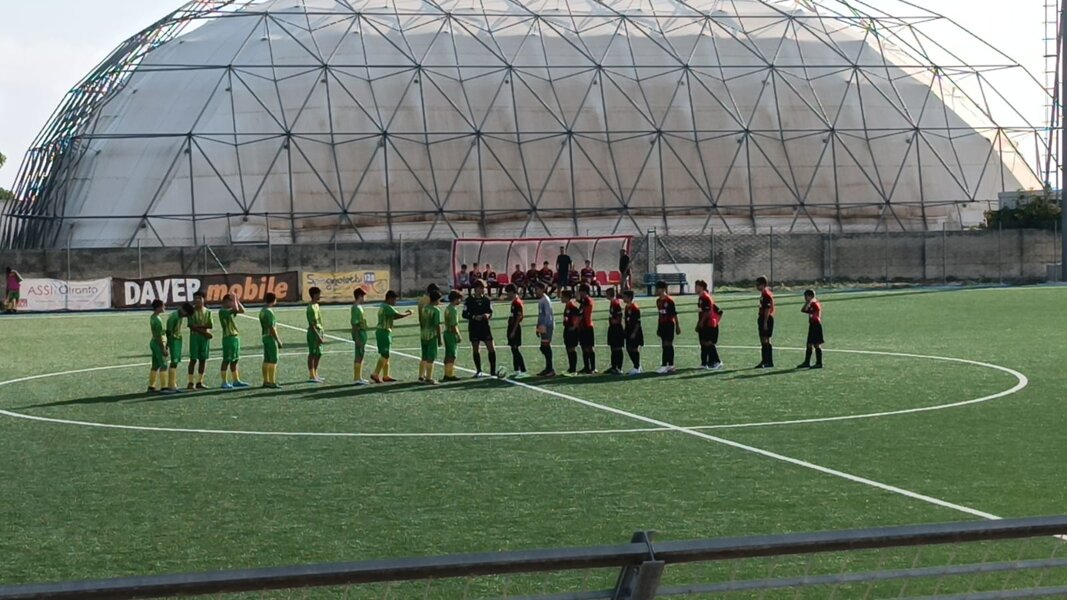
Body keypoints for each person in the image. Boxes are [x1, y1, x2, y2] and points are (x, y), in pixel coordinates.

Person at [372, 290, 413, 383]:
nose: (395, 302)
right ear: (390, 299)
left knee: (386, 354)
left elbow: (393, 316)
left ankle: (386, 375)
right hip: (384, 332)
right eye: (394, 300)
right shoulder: (387, 307)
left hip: (383, 332)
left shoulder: (383, 306)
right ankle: (375, 373)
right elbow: (397, 315)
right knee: (385, 354)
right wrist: (408, 313)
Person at [463, 279, 499, 378]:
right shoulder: (469, 300)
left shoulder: (486, 300)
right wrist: (474, 317)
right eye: (481, 288)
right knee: (476, 348)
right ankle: (478, 370)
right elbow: (464, 314)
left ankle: (493, 371)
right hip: (474, 327)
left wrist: (487, 315)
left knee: (491, 348)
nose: (483, 290)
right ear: (476, 288)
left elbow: (490, 312)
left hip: (485, 327)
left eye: (484, 288)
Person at [218, 294, 250, 389]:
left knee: (235, 359)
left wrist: (237, 300)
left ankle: (236, 380)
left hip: (235, 337)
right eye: (230, 301)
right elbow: (236, 309)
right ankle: (224, 381)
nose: (232, 303)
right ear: (225, 301)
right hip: (228, 338)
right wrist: (235, 299)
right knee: (226, 360)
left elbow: (242, 310)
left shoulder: (229, 311)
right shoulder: (222, 311)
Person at [164, 302, 192, 393]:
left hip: (177, 339)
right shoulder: (174, 317)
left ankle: (173, 384)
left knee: (175, 362)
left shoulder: (179, 316)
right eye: (186, 314)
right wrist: (167, 345)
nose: (186, 316)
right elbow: (168, 331)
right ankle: (171, 385)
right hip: (173, 340)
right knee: (174, 362)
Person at [695, 280, 724, 371]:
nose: (695, 288)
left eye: (697, 286)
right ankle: (704, 363)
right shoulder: (701, 298)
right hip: (704, 323)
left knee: (708, 343)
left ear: (701, 287)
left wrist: (701, 322)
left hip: (708, 324)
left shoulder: (705, 297)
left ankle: (717, 361)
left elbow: (707, 312)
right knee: (703, 343)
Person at [186, 291, 213, 390]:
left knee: (203, 360)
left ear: (203, 299)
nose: (197, 300)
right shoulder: (191, 312)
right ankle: (190, 382)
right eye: (195, 298)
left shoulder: (208, 312)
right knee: (193, 360)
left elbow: (210, 325)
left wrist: (198, 326)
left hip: (204, 339)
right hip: (195, 338)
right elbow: (191, 326)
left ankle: (200, 382)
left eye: (199, 298)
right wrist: (204, 332)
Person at [655, 280, 680, 374]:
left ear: (663, 289)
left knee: (667, 344)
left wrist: (677, 326)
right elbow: (660, 314)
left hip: (669, 324)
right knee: (664, 345)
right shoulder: (658, 301)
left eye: (658, 288)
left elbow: (674, 314)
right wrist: (658, 327)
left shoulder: (669, 301)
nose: (656, 290)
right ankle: (670, 365)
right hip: (662, 325)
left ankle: (665, 365)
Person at [419, 290, 444, 385]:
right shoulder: (436, 310)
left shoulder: (424, 308)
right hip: (431, 335)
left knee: (424, 356)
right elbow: (437, 325)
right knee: (431, 357)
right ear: (437, 300)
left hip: (423, 334)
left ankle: (421, 376)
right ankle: (429, 378)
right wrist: (440, 338)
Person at [505, 284, 529, 378]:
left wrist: (513, 331)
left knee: (515, 350)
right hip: (511, 327)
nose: (507, 295)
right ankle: (516, 370)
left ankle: (523, 370)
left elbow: (519, 317)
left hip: (515, 328)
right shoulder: (514, 302)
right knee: (513, 349)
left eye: (508, 293)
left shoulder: (517, 303)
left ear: (512, 292)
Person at [260, 292, 283, 389]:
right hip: (270, 337)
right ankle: (272, 381)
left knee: (267, 359)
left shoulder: (262, 310)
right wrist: (278, 340)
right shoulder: (269, 312)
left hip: (264, 336)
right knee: (273, 359)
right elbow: (272, 327)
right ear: (274, 300)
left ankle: (266, 381)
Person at [798, 289, 824, 369]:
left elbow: (813, 315)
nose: (805, 298)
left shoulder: (814, 304)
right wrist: (807, 303)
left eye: (806, 296)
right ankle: (807, 362)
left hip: (816, 325)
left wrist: (808, 304)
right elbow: (803, 310)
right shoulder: (812, 303)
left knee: (816, 344)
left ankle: (819, 363)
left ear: (810, 296)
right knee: (809, 344)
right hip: (812, 325)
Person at [148, 299, 169, 394]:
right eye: (163, 306)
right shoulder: (158, 320)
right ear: (158, 307)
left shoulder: (153, 317)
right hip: (158, 344)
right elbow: (159, 336)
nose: (164, 307)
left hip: (153, 342)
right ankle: (164, 387)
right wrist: (163, 348)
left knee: (155, 365)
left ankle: (151, 386)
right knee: (164, 365)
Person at [534, 282, 555, 377]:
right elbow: (541, 315)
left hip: (546, 326)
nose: (535, 291)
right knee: (544, 347)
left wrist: (543, 326)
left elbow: (547, 315)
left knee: (545, 347)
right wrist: (538, 326)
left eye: (537, 289)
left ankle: (550, 369)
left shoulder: (545, 300)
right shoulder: (542, 299)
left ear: (542, 289)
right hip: (543, 325)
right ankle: (548, 368)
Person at [442, 290, 463, 382]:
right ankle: (449, 374)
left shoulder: (448, 308)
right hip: (451, 334)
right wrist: (458, 335)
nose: (460, 301)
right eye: (459, 299)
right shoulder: (453, 310)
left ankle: (447, 373)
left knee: (448, 354)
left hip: (446, 333)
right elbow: (453, 325)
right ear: (456, 299)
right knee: (452, 355)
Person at [306, 286, 326, 383]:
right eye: (318, 294)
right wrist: (318, 336)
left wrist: (322, 333)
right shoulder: (310, 308)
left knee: (319, 353)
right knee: (312, 354)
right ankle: (311, 375)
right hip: (313, 333)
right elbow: (312, 325)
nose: (320, 296)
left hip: (319, 331)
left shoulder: (317, 305)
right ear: (314, 295)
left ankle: (315, 373)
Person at [755, 276, 775, 369]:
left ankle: (766, 361)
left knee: (765, 340)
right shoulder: (763, 294)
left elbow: (767, 309)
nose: (756, 287)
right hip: (763, 318)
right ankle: (767, 361)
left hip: (766, 318)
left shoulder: (766, 295)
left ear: (763, 285)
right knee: (764, 340)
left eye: (758, 285)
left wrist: (765, 322)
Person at [351, 288, 370, 385]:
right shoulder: (356, 308)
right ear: (359, 296)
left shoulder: (358, 307)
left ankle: (359, 377)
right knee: (359, 354)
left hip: (362, 332)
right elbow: (354, 324)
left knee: (361, 354)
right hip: (359, 332)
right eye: (363, 296)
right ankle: (357, 378)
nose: (364, 298)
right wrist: (357, 337)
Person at [576, 283, 597, 374]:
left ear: (584, 292)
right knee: (584, 347)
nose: (579, 293)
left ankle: (592, 367)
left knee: (588, 347)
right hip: (584, 326)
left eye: (580, 291)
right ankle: (587, 367)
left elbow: (581, 314)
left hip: (587, 326)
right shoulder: (585, 300)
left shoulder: (586, 300)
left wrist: (576, 324)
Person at [623, 290, 644, 375]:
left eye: (625, 297)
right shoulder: (626, 307)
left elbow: (638, 322)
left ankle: (637, 367)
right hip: (628, 331)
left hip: (635, 331)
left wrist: (634, 333)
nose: (623, 298)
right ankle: (636, 365)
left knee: (634, 349)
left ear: (629, 298)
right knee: (628, 348)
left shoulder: (635, 308)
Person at [605, 288, 625, 375]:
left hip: (617, 328)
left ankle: (619, 367)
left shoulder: (616, 303)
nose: (605, 295)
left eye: (606, 294)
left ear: (609, 294)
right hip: (612, 328)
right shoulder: (612, 303)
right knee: (613, 348)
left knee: (617, 348)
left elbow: (620, 315)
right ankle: (613, 366)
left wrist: (616, 321)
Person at [560, 289, 580, 376]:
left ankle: (573, 370)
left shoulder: (572, 306)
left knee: (571, 349)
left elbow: (576, 318)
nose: (561, 298)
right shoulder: (567, 306)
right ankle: (570, 368)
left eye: (562, 297)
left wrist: (573, 327)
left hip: (572, 331)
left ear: (567, 297)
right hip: (567, 330)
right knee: (568, 348)